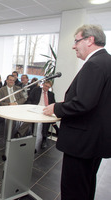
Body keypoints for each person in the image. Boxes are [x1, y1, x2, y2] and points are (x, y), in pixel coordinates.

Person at [43, 24, 111, 200]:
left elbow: (83, 103)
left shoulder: (94, 65)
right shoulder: (107, 61)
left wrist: (56, 108)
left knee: (73, 189)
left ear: (90, 40)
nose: (74, 46)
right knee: (86, 185)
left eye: (76, 41)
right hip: (95, 139)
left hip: (82, 141)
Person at [26, 80, 55, 148]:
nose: (46, 88)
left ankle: (44, 138)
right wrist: (32, 107)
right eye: (45, 86)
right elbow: (29, 99)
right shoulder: (36, 90)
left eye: (48, 87)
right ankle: (32, 135)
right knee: (33, 121)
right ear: (43, 84)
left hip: (45, 110)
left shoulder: (51, 94)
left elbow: (53, 104)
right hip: (36, 109)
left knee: (46, 121)